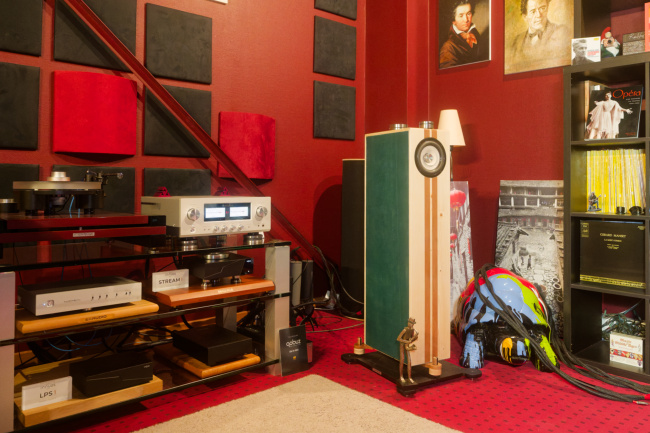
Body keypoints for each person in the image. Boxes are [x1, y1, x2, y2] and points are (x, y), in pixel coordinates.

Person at [506, 0, 571, 72]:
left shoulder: (561, 32)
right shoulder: (516, 42)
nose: (538, 15)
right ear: (525, 17)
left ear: (547, 8)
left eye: (542, 8)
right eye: (533, 11)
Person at [439, 1, 488, 68]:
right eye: (461, 15)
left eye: (468, 14)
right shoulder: (448, 48)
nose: (466, 20)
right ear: (453, 20)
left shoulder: (474, 33)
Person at [396, 317, 419, 384]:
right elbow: (398, 338)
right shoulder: (405, 330)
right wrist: (406, 341)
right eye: (410, 322)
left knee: (409, 361)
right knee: (402, 360)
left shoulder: (412, 330)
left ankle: (409, 377)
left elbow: (411, 338)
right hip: (402, 345)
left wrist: (414, 338)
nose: (411, 324)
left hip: (407, 345)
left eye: (412, 323)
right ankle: (401, 376)